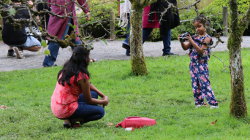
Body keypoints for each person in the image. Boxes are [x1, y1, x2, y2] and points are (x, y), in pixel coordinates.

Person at [51, 46, 109, 128]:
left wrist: (102, 95)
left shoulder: (67, 67)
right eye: (88, 57)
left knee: (94, 94)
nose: (89, 59)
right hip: (65, 109)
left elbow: (88, 85)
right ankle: (73, 120)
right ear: (84, 59)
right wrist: (103, 102)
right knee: (100, 112)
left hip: (56, 106)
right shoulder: (81, 75)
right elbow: (89, 100)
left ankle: (67, 120)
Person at [179, 15, 218, 109]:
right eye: (195, 27)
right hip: (193, 65)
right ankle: (199, 103)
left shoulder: (207, 38)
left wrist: (192, 41)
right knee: (195, 85)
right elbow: (185, 48)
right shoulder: (194, 37)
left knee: (205, 84)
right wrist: (181, 41)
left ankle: (213, 103)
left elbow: (201, 51)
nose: (197, 29)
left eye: (199, 26)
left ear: (206, 26)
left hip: (202, 65)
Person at [42, 0, 91, 67]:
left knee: (74, 39)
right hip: (60, 13)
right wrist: (86, 10)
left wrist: (86, 10)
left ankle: (82, 60)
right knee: (56, 39)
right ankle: (48, 64)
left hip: (65, 12)